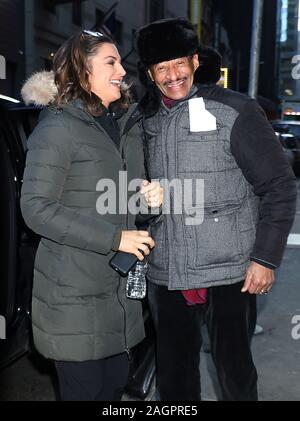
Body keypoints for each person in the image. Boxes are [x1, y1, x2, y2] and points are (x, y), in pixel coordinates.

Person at [135, 18, 297, 401]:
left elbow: (279, 186)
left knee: (235, 372)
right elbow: (129, 188)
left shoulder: (234, 110)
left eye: (179, 64)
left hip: (230, 270)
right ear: (150, 73)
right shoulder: (143, 121)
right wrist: (138, 201)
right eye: (162, 68)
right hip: (168, 269)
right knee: (174, 378)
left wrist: (265, 258)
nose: (173, 75)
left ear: (194, 61)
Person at [20, 30, 162, 401]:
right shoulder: (58, 128)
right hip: (74, 295)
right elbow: (36, 208)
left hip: (119, 294)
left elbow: (125, 203)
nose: (122, 71)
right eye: (110, 62)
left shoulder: (123, 127)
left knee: (113, 391)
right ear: (83, 69)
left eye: (121, 62)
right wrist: (115, 239)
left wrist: (149, 199)